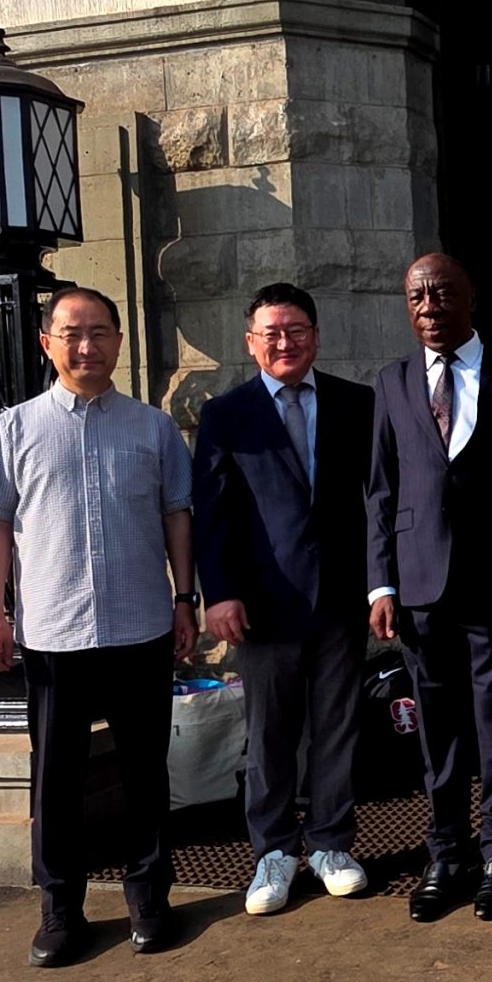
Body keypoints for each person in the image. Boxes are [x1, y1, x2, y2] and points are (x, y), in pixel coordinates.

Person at [0, 286, 198, 968]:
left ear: (119, 342)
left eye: (100, 332)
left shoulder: (152, 428)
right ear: (47, 342)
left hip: (141, 626)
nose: (87, 345)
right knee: (57, 778)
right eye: (72, 333)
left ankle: (149, 897)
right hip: (52, 631)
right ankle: (60, 908)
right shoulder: (16, 427)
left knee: (144, 771)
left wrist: (185, 597)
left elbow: (176, 515)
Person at [368, 254, 492, 923]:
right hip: (418, 584)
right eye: (417, 296)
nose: (431, 306)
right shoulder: (393, 380)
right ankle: (446, 852)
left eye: (443, 292)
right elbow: (381, 489)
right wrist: (379, 581)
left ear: (471, 295)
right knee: (436, 728)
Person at [192, 283, 376, 919]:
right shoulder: (227, 414)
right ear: (251, 343)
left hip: (343, 597)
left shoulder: (359, 404)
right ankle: (273, 850)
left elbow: (377, 503)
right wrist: (218, 594)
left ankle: (330, 843)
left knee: (338, 724)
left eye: (296, 330)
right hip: (263, 603)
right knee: (269, 732)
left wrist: (382, 584)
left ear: (316, 337)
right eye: (270, 332)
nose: (284, 342)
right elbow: (212, 516)